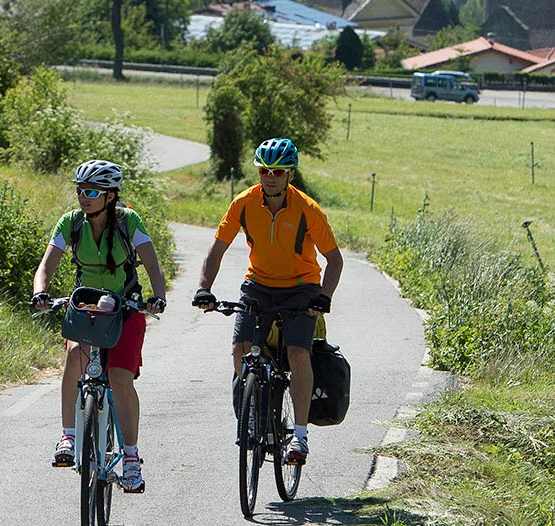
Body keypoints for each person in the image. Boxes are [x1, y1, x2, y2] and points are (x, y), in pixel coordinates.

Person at [191, 138, 343, 466]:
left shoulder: (307, 209)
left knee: (298, 353)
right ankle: (252, 409)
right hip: (258, 286)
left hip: (301, 289)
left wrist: (324, 298)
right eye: (264, 170)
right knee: (239, 348)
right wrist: (204, 288)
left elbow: (334, 260)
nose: (270, 176)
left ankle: (300, 436)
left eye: (277, 171)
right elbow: (216, 250)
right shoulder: (244, 204)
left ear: (289, 174)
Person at [31, 160, 169, 493]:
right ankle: (68, 436)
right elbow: (46, 266)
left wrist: (158, 297)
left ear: (109, 195)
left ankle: (131, 459)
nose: (83, 197)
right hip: (87, 304)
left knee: (120, 378)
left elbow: (152, 265)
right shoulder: (71, 223)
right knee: (75, 358)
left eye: (91, 191)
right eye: (80, 190)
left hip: (126, 305)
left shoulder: (128, 221)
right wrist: (40, 292)